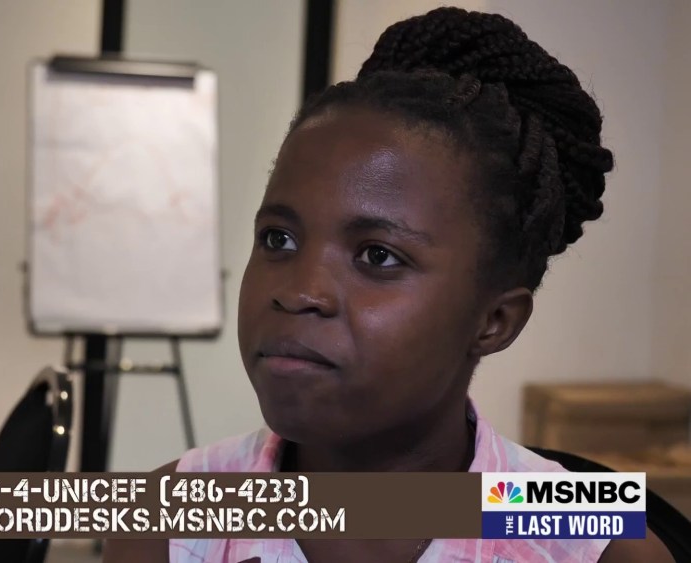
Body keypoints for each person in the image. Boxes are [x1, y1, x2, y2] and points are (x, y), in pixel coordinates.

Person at [104, 7, 673, 562]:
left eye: (377, 255)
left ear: (494, 322)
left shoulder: (594, 545)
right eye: (279, 239)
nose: (299, 292)